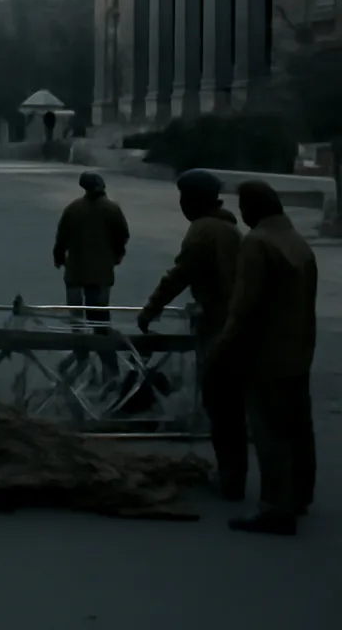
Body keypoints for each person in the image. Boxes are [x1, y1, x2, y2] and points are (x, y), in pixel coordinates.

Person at [208, 180, 317, 536]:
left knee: (268, 431)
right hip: (298, 352)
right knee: (299, 429)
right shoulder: (298, 244)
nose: (240, 212)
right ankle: (299, 496)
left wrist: (222, 350)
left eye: (243, 205)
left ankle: (274, 508)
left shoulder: (257, 243)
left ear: (254, 207)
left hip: (264, 355)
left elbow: (242, 308)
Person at [137, 169, 246, 498]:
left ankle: (231, 480)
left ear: (196, 200)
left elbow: (180, 274)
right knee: (232, 407)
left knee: (221, 406)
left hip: (217, 329)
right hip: (236, 326)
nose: (182, 205)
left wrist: (151, 308)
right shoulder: (230, 229)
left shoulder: (203, 230)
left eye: (185, 199)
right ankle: (234, 475)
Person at [53, 172, 130, 382]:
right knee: (100, 322)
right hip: (100, 275)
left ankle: (82, 363)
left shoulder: (73, 209)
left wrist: (59, 257)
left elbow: (61, 238)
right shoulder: (112, 209)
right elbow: (122, 236)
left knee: (78, 323)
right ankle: (110, 370)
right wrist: (116, 256)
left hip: (75, 274)